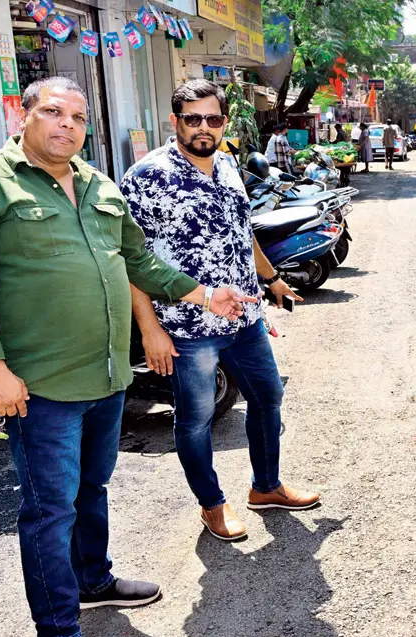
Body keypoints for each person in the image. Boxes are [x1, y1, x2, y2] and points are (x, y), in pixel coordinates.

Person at [0, 76, 256, 637]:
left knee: (92, 487)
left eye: (78, 117)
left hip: (105, 374)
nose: (67, 125)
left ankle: (93, 580)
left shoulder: (98, 184)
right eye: (53, 112)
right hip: (39, 383)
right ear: (22, 114)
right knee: (48, 510)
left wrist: (201, 293)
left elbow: (137, 259)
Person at [121, 79, 319, 544]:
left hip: (245, 317)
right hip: (188, 327)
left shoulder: (228, 164)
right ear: (175, 123)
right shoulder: (146, 177)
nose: (203, 128)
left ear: (224, 122)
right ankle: (211, 505)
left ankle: (266, 486)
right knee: (195, 420)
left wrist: (271, 279)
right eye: (193, 119)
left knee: (268, 397)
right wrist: (149, 329)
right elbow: (131, 260)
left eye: (212, 119)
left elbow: (241, 234)